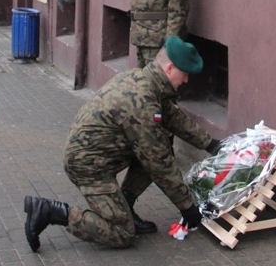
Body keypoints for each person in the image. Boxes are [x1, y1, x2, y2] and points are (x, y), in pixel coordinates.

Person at [24, 36, 221, 250]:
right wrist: (187, 207)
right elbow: (159, 162)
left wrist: (210, 144)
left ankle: (125, 205)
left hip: (99, 156)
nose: (186, 81)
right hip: (88, 167)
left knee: (159, 142)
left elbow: (173, 117)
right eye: (185, 74)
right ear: (171, 68)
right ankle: (52, 212)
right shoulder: (142, 100)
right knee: (122, 233)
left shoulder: (143, 80)